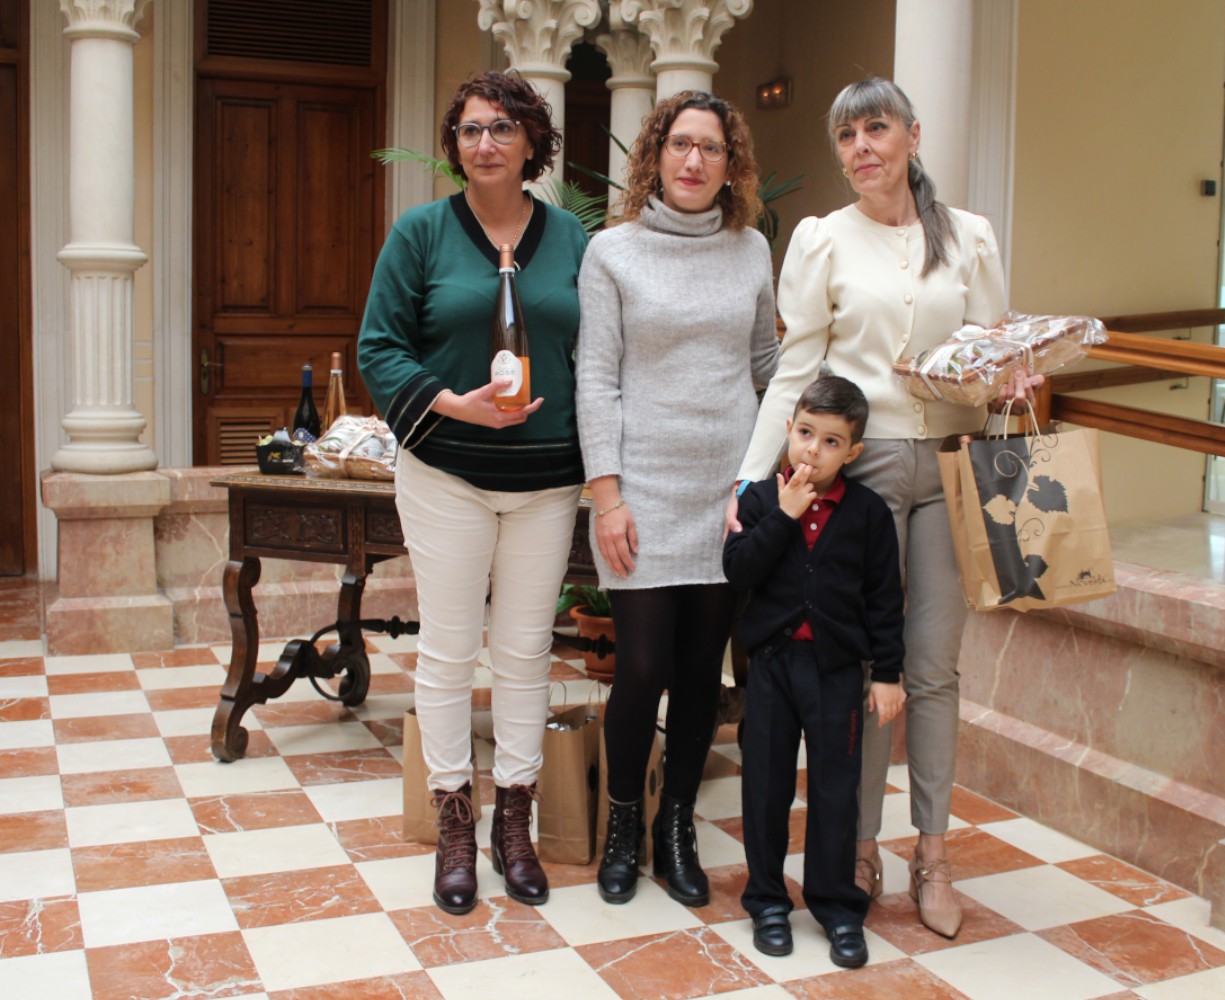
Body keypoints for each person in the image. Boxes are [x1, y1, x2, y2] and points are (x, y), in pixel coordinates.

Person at [731, 77, 1041, 939]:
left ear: (911, 134)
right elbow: (797, 369)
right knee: (859, 670)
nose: (861, 147)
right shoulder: (822, 238)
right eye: (846, 135)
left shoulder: (969, 236)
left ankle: (932, 855)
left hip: (947, 467)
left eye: (875, 128)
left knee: (932, 671)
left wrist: (1008, 378)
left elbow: (986, 357)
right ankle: (855, 849)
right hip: (856, 477)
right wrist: (752, 485)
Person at [357, 71, 589, 915]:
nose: (484, 143)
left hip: (545, 481)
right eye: (469, 130)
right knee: (450, 650)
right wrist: (452, 403)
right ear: (454, 146)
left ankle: (514, 823)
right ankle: (455, 823)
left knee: (526, 652)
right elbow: (378, 347)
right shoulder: (420, 234)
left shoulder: (572, 240)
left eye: (502, 128)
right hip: (446, 474)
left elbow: (597, 354)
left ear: (532, 143)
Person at [576, 91, 779, 908]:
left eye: (711, 148)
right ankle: (624, 823)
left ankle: (676, 828)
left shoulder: (751, 249)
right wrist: (607, 498)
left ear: (732, 165)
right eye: (680, 144)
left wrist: (777, 468)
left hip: (726, 494)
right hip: (641, 491)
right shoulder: (612, 252)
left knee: (700, 672)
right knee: (642, 666)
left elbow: (767, 367)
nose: (694, 161)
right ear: (655, 155)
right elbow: (595, 378)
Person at [724, 376, 906, 969]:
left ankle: (837, 906)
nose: (813, 450)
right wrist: (783, 515)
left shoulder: (868, 514)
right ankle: (767, 901)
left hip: (836, 673)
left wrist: (888, 673)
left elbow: (885, 598)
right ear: (789, 429)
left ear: (852, 452)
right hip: (771, 669)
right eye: (805, 433)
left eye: (831, 442)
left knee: (834, 790)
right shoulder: (759, 500)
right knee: (766, 786)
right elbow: (738, 571)